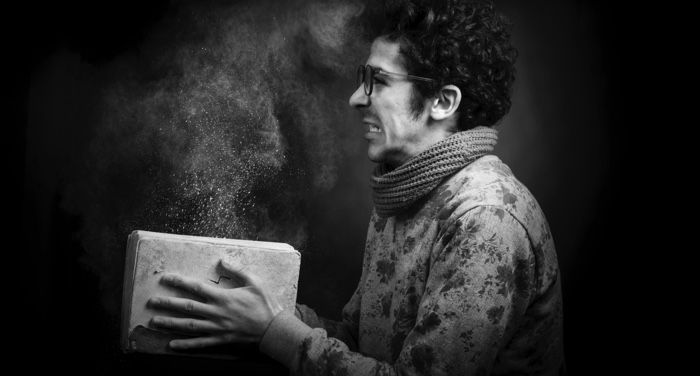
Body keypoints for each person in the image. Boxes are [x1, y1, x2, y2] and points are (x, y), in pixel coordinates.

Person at [148, 0, 565, 374]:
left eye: (378, 81)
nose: (355, 99)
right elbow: (359, 341)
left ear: (442, 102)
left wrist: (274, 331)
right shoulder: (404, 190)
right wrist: (261, 313)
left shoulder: (486, 217)